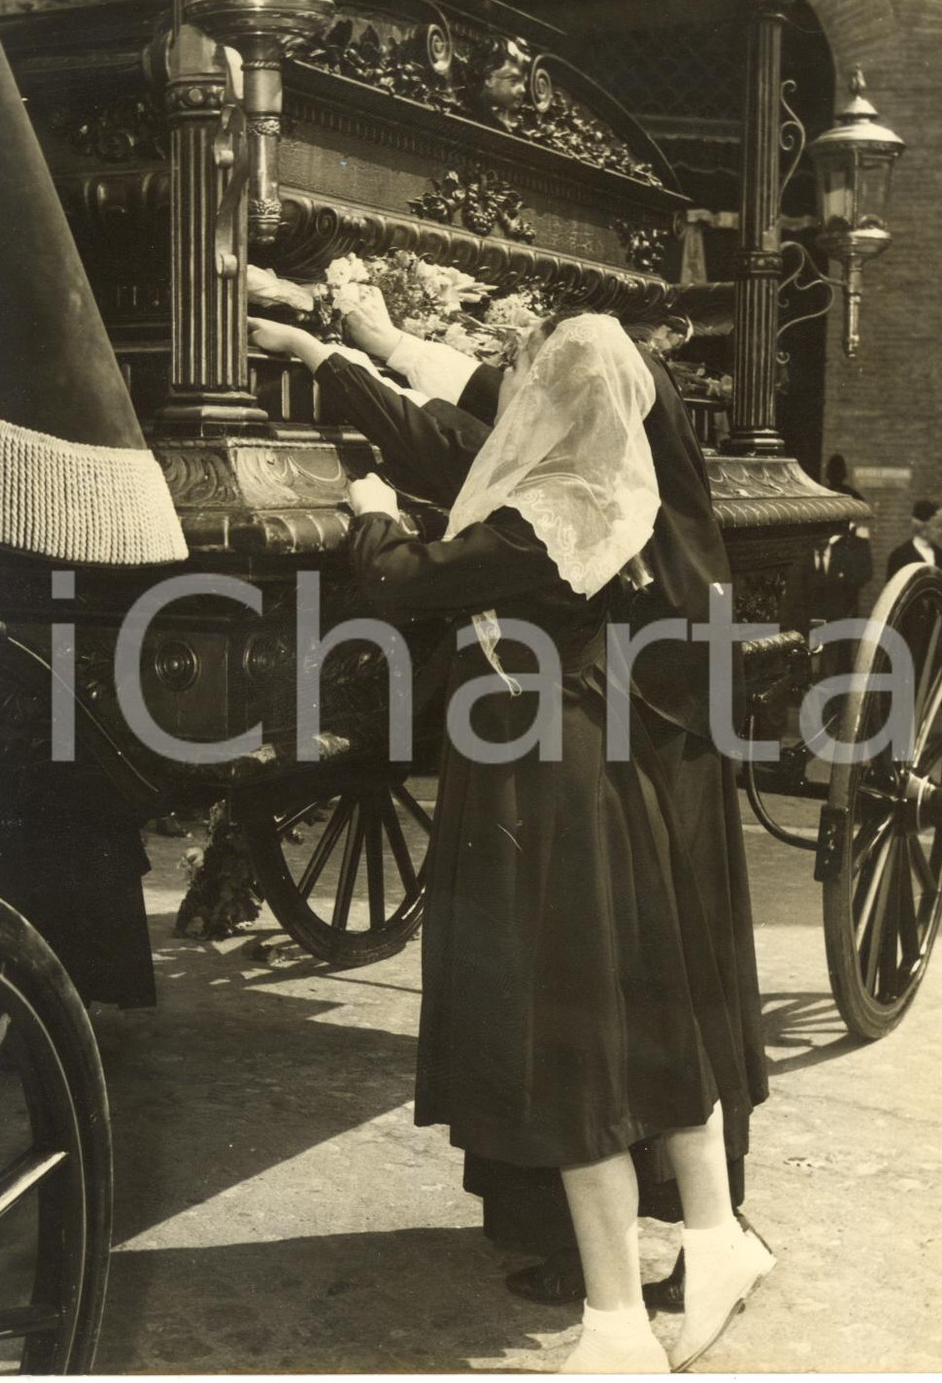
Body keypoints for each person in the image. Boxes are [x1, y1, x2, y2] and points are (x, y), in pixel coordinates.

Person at [250, 311, 774, 1372]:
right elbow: (473, 454)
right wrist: (352, 353)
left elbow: (404, 578)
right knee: (648, 1014)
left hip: (544, 785)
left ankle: (619, 1320)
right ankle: (713, 1237)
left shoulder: (549, 516)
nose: (513, 401)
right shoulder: (607, 495)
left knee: (565, 1041)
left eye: (529, 387)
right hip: (597, 764)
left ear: (559, 404)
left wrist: (369, 509)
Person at [886, 499, 942, 579]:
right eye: (937, 527)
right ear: (923, 527)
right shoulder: (900, 555)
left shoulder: (940, 554)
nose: (941, 531)